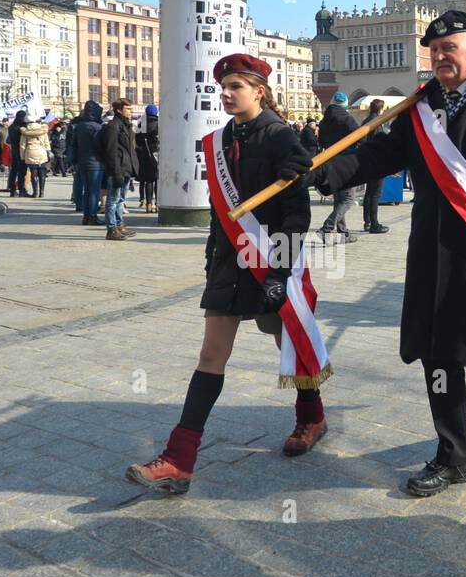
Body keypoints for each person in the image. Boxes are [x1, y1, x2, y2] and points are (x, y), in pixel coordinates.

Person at [305, 9, 466, 497]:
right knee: (437, 355)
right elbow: (380, 155)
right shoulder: (421, 107)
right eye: (435, 50)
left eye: (451, 47)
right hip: (435, 250)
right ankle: (454, 457)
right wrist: (326, 173)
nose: (442, 56)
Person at [126, 53, 326, 494]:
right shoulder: (217, 141)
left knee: (287, 343)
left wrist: (279, 272)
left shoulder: (281, 138)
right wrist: (211, 253)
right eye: (224, 86)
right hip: (228, 262)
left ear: (260, 91)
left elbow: (297, 215)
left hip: (272, 260)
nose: (227, 93)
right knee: (211, 355)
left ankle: (311, 416)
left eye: (237, 85)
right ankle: (179, 460)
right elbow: (222, 213)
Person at [317, 93, 361, 243]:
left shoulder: (324, 121)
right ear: (345, 105)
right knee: (348, 199)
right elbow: (361, 136)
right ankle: (327, 228)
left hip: (330, 163)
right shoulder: (347, 119)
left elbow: (321, 141)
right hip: (347, 162)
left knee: (339, 199)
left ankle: (344, 233)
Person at [97, 98, 138, 241]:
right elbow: (111, 151)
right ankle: (111, 228)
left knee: (121, 199)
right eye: (128, 109)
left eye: (131, 109)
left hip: (126, 167)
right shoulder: (113, 126)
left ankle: (119, 225)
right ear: (119, 110)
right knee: (113, 200)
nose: (131, 112)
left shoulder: (126, 125)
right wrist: (115, 172)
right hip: (117, 168)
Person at [359, 98, 390, 234]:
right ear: (380, 109)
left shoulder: (366, 120)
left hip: (367, 160)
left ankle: (367, 221)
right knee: (375, 194)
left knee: (369, 193)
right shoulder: (377, 122)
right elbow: (379, 142)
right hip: (376, 161)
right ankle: (374, 223)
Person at [70, 100, 104, 223]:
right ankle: (93, 216)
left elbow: (74, 145)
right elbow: (101, 146)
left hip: (81, 162)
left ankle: (86, 216)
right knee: (94, 191)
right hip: (96, 163)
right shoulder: (98, 127)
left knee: (87, 190)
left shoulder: (79, 126)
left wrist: (74, 161)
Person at [136, 103, 160, 213]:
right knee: (157, 180)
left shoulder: (141, 124)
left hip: (145, 155)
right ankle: (158, 203)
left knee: (148, 180)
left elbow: (137, 141)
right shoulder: (159, 123)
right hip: (157, 154)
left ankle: (148, 204)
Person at [20, 115, 50, 198]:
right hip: (41, 151)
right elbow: (47, 143)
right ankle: (42, 192)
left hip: (30, 151)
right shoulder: (43, 130)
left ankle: (35, 192)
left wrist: (22, 157)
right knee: (42, 173)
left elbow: (22, 146)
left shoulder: (25, 131)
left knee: (33, 173)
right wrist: (48, 152)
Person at [6, 111, 29, 196]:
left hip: (14, 150)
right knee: (22, 171)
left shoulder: (11, 127)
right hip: (22, 151)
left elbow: (7, 140)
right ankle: (22, 190)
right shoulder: (22, 127)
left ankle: (12, 190)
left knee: (14, 171)